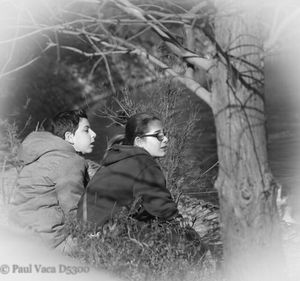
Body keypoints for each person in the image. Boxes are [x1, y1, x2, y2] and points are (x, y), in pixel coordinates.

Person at [9, 109, 96, 249]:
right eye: (86, 130)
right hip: (52, 245)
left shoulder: (40, 156)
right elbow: (76, 212)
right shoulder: (70, 161)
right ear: (70, 137)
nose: (93, 135)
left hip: (23, 239)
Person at [77, 112, 181, 226]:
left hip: (85, 235)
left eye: (164, 134)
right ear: (139, 141)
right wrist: (187, 231)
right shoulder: (144, 163)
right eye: (158, 135)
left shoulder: (117, 160)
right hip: (107, 237)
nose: (165, 139)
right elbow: (165, 210)